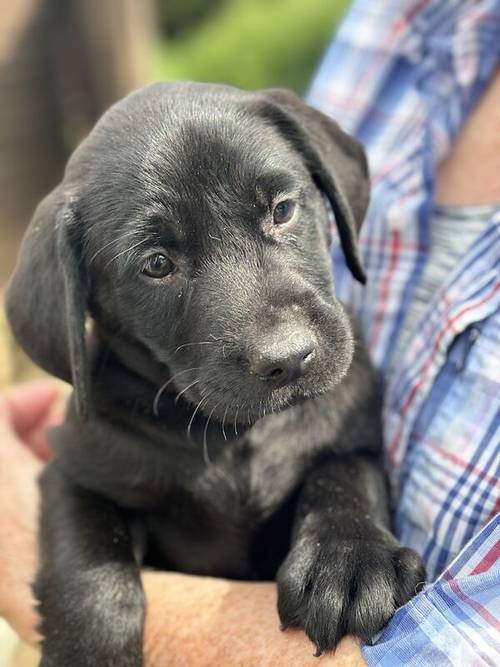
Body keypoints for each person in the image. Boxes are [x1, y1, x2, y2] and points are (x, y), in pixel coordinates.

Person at [1, 0, 499, 665]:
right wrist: (92, 617)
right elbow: (79, 488)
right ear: (83, 303)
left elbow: (349, 452)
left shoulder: (345, 399)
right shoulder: (114, 427)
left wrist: (345, 513)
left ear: (327, 194)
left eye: (282, 211)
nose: (282, 341)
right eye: (158, 263)